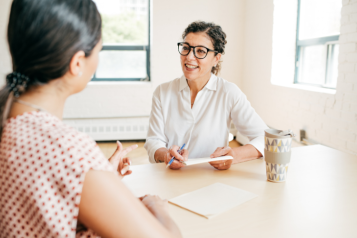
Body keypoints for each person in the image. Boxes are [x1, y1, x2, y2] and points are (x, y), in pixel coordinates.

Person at [0, 1, 181, 238]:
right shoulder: (67, 149)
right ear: (76, 63)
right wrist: (156, 206)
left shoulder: (10, 119)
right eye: (99, 51)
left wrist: (98, 174)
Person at [144, 21, 268, 170]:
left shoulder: (228, 92)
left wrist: (233, 155)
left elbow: (266, 138)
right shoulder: (162, 92)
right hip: (171, 175)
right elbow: (153, 141)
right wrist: (165, 155)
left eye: (201, 51)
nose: (189, 57)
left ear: (216, 59)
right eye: (186, 48)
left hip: (212, 178)